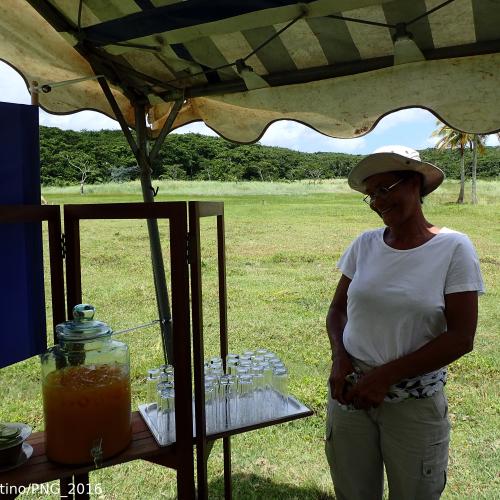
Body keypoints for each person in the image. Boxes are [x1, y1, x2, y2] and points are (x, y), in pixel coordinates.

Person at [325, 145, 484, 500]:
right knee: (353, 492)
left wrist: (386, 375)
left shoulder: (454, 248)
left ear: (415, 183)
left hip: (413, 404)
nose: (378, 202)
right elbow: (337, 311)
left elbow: (461, 337)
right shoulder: (365, 244)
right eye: (371, 195)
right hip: (349, 393)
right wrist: (339, 357)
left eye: (385, 188)